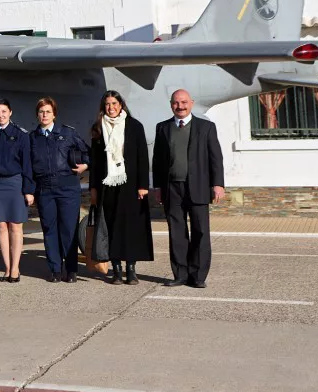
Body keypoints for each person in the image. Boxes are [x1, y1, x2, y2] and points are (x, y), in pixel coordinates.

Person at [152, 89, 225, 288]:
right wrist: (157, 186)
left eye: (184, 102)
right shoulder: (163, 128)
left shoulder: (206, 127)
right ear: (171, 105)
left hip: (199, 187)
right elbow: (157, 160)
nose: (180, 106)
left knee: (200, 232)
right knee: (177, 232)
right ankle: (180, 274)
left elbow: (215, 157)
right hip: (171, 188)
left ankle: (198, 276)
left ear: (191, 103)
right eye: (176, 102)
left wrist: (217, 184)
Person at [89, 90, 153, 285]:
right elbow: (95, 161)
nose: (111, 108)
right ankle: (116, 269)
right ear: (103, 107)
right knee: (112, 227)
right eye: (107, 104)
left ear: (121, 105)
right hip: (107, 186)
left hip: (131, 185)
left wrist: (143, 185)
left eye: (114, 104)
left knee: (130, 228)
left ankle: (131, 269)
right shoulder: (99, 128)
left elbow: (143, 156)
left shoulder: (134, 126)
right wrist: (93, 188)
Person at [29, 96, 89, 282]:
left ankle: (71, 270)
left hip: (67, 186)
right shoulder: (32, 138)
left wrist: (85, 166)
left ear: (54, 114)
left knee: (68, 229)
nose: (44, 115)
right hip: (44, 188)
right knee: (49, 229)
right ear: (37, 115)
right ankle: (55, 269)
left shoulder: (68, 134)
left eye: (48, 111)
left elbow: (88, 152)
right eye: (41, 112)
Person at [0, 98, 34, 283]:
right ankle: (7, 268)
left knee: (16, 225)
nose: (0, 115)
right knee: (1, 226)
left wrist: (28, 189)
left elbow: (27, 165)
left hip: (15, 183)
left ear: (10, 112)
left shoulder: (20, 134)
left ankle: (16, 268)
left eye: (4, 111)